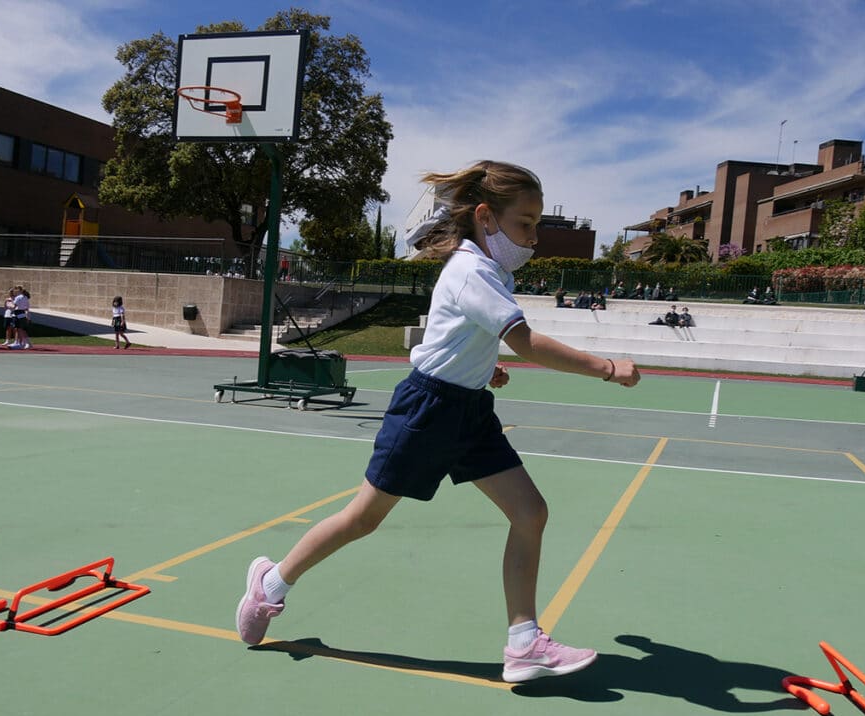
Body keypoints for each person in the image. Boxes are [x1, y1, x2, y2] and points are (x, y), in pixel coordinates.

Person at [235, 160, 641, 683]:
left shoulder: (487, 270)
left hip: (468, 411)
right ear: (485, 218)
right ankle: (270, 584)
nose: (534, 237)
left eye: (538, 224)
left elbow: (457, 333)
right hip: (427, 411)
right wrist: (607, 368)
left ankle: (523, 642)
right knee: (363, 519)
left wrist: (479, 364)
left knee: (531, 512)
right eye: (526, 222)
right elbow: (526, 341)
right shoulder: (473, 269)